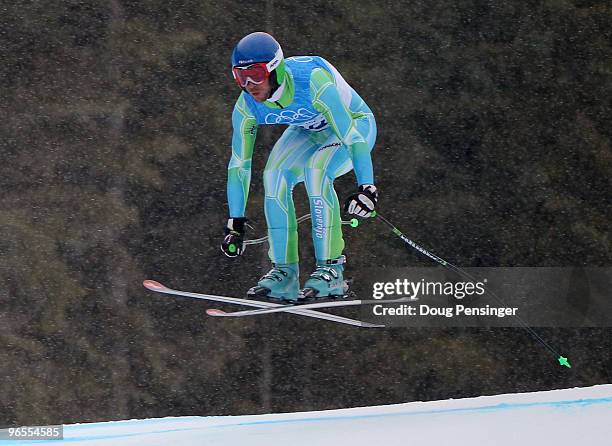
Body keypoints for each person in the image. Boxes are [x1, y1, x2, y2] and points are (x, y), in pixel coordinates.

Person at [221, 32, 378, 302]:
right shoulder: (246, 106)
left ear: (275, 69)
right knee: (273, 175)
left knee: (316, 171)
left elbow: (351, 137)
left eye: (255, 74)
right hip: (309, 129)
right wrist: (234, 222)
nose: (248, 85)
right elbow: (239, 165)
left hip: (354, 126)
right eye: (240, 76)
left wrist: (367, 188)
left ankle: (332, 270)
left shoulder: (312, 81)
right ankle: (284, 273)